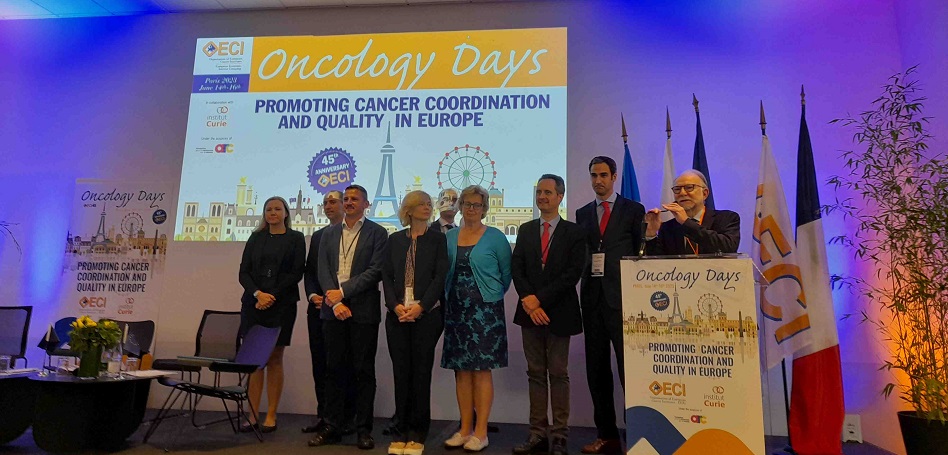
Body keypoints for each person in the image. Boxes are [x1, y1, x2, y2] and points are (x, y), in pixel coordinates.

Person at [308, 185, 389, 450]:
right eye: (346, 199)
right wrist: (334, 302)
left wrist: (342, 292)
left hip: (363, 311)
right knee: (333, 370)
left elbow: (376, 270)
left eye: (355, 199)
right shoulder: (328, 234)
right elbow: (322, 270)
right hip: (333, 311)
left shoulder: (378, 233)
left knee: (363, 371)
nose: (349, 202)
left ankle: (363, 430)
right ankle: (331, 426)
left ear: (366, 204)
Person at [511, 174, 586, 455]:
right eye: (539, 192)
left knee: (558, 373)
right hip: (529, 313)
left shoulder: (574, 232)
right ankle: (537, 435)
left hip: (560, 313)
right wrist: (529, 301)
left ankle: (560, 436)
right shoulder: (526, 229)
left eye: (547, 192)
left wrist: (538, 300)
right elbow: (517, 267)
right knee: (535, 374)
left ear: (560, 197)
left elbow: (572, 273)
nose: (541, 197)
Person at [575, 156, 645, 454]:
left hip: (624, 300)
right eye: (594, 175)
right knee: (597, 371)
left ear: (614, 177)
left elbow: (642, 252)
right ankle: (607, 435)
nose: (598, 181)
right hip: (592, 300)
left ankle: (639, 436)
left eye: (603, 175)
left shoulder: (633, 210)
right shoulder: (582, 213)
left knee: (630, 371)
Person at [441, 185, 511, 452]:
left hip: (486, 313)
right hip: (456, 310)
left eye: (477, 205)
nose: (471, 209)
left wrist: (489, 295)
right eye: (467, 204)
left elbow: (506, 275)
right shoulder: (449, 237)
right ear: (460, 206)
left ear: (484, 209)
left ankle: (481, 433)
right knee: (461, 371)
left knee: (481, 370)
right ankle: (464, 430)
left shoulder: (495, 237)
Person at [381, 190, 449, 455]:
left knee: (420, 374)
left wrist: (421, 307)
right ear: (408, 210)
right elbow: (386, 276)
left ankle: (418, 433)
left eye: (429, 204)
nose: (427, 207)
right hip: (397, 315)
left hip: (427, 316)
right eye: (421, 204)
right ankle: (401, 431)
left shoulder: (438, 239)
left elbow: (440, 277)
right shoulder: (395, 240)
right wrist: (394, 305)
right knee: (401, 374)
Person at [237, 195, 306, 433]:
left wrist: (271, 296)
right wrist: (258, 294)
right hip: (254, 304)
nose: (273, 213)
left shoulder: (296, 238)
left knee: (275, 358)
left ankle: (271, 415)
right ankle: (252, 414)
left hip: (282, 304)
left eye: (277, 209)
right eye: (268, 209)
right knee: (255, 361)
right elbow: (243, 272)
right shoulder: (255, 237)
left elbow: (296, 273)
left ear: (286, 212)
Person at [302, 191, 356, 436]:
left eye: (333, 201)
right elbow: (311, 271)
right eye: (325, 203)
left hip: (346, 308)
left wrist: (336, 297)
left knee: (346, 365)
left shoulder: (357, 234)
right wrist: (313, 295)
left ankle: (347, 417)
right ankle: (323, 415)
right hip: (319, 309)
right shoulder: (319, 235)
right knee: (320, 363)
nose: (328, 206)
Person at [644, 169, 740, 255]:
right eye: (677, 189)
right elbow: (655, 264)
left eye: (689, 187)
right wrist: (651, 235)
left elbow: (728, 247)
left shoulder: (727, 218)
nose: (682, 193)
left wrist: (686, 222)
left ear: (705, 193)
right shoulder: (668, 227)